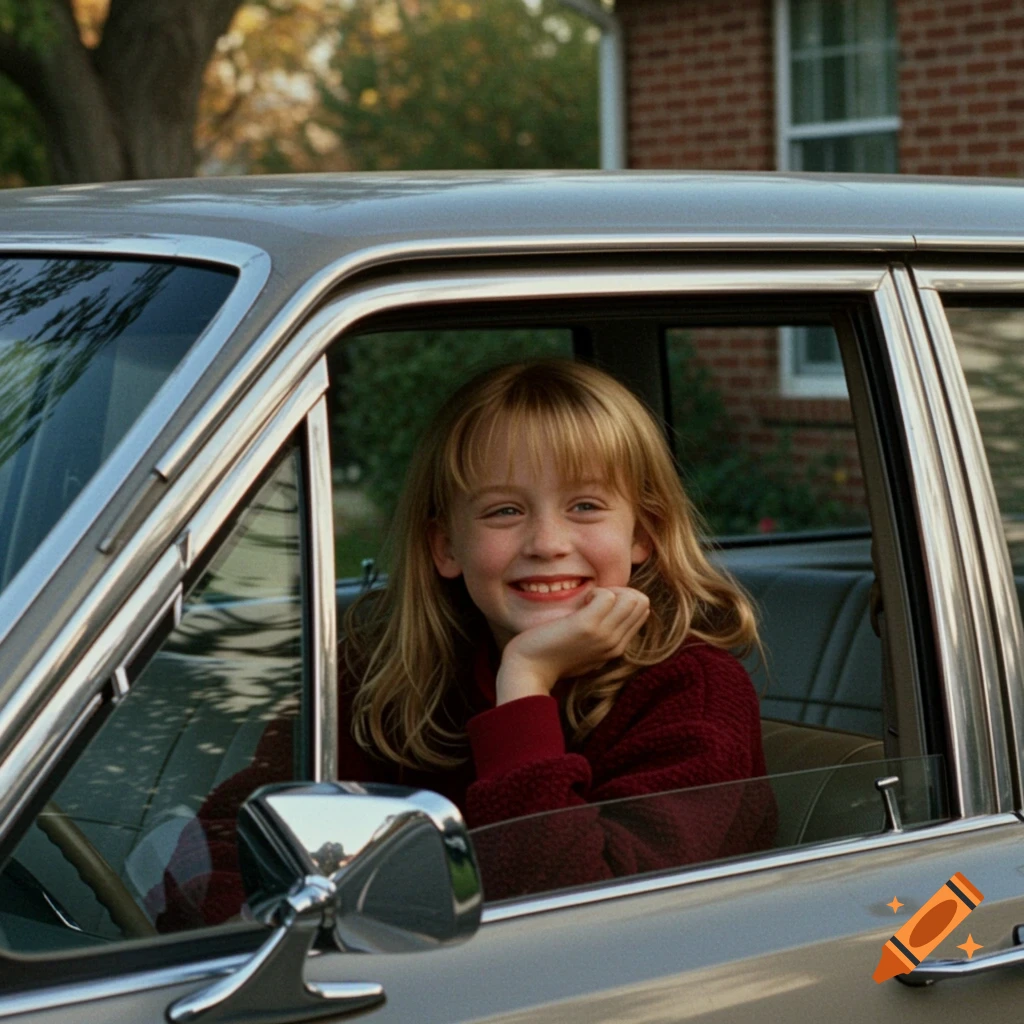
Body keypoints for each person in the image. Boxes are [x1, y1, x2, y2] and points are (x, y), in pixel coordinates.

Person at [154, 358, 775, 927]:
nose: (547, 542)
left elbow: (574, 915)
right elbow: (234, 834)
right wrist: (240, 936)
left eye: (585, 506)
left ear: (644, 535)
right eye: (504, 512)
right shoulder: (389, 676)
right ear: (445, 547)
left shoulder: (694, 691)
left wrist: (525, 684)